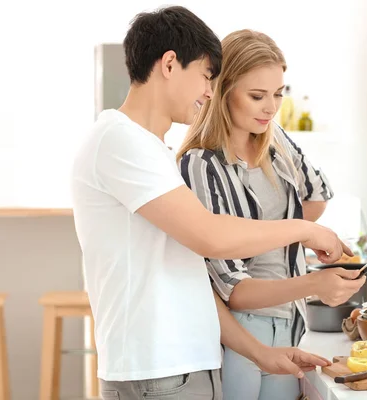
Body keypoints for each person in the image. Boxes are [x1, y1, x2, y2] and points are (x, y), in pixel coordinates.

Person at [71, 6, 352, 400]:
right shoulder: (120, 142)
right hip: (157, 371)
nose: (209, 89)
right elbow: (211, 237)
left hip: (184, 367)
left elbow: (194, 276)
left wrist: (261, 354)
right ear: (170, 64)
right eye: (205, 75)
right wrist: (307, 230)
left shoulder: (152, 151)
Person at [178, 29, 365, 400]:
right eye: (257, 96)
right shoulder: (201, 166)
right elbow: (236, 292)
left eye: (278, 94)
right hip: (240, 332)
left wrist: (297, 239)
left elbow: (317, 195)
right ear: (221, 90)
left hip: (289, 320)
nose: (271, 107)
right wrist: (313, 281)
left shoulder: (274, 140)